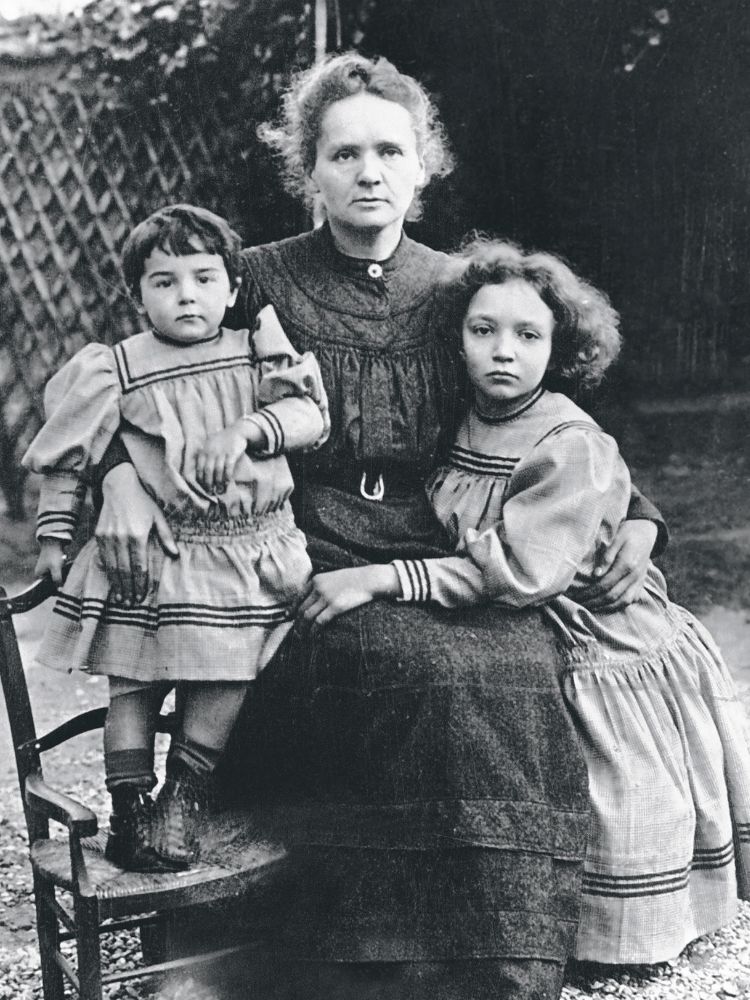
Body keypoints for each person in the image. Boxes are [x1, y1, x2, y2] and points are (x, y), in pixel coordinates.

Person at [90, 55, 667, 1000]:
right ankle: (371, 958)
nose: (369, 172)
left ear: (423, 164)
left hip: (434, 540)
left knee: (517, 658)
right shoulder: (251, 278)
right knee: (410, 664)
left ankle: (499, 958)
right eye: (344, 153)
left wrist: (638, 518)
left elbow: (544, 415)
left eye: (390, 151)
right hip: (296, 543)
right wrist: (118, 475)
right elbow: (145, 376)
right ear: (308, 171)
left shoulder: (460, 287)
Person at [301, 236, 750, 966]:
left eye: (528, 335)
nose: (503, 351)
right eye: (483, 331)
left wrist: (383, 578)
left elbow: (519, 570)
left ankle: (614, 931)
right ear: (456, 340)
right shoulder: (461, 416)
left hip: (595, 625)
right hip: (512, 606)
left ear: (559, 348)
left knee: (608, 782)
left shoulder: (568, 440)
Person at [22, 204, 329, 872]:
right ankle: (129, 806)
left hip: (245, 551)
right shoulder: (118, 367)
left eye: (203, 278)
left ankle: (183, 796)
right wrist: (54, 535)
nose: (186, 295)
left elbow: (309, 415)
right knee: (132, 685)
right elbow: (70, 452)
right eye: (164, 282)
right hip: (153, 554)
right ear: (138, 296)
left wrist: (250, 429)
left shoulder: (255, 348)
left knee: (228, 675)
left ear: (232, 287)